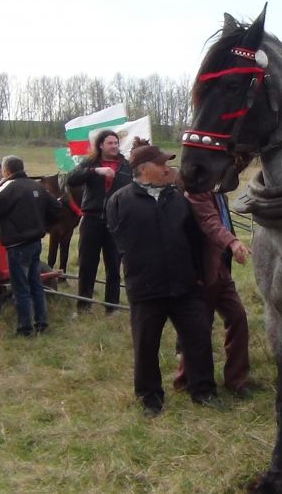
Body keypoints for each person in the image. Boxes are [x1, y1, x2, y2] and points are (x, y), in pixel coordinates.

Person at [106, 144, 218, 415]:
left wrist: (198, 276)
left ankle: (203, 392)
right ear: (143, 170)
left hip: (185, 285)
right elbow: (117, 239)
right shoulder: (120, 200)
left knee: (199, 339)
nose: (168, 168)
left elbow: (193, 239)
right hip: (146, 288)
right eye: (161, 164)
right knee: (146, 346)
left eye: (167, 162)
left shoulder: (178, 198)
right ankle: (150, 399)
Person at [174, 190, 253, 397]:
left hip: (221, 272)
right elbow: (211, 224)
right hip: (201, 274)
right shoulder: (196, 195)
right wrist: (233, 243)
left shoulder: (220, 195)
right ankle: (185, 379)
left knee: (238, 317)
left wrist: (230, 251)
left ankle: (236, 380)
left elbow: (225, 223)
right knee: (199, 329)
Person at [0, 156, 61, 336]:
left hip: (17, 244)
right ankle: (42, 323)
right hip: (35, 242)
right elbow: (56, 208)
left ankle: (25, 328)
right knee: (35, 284)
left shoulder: (7, 187)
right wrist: (41, 223)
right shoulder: (38, 186)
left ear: (6, 171)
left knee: (21, 288)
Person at [67, 130, 132, 314]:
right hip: (91, 219)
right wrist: (95, 171)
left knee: (113, 266)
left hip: (115, 222)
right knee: (87, 264)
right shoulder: (90, 163)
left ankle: (112, 307)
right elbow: (71, 179)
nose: (114, 146)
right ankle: (83, 306)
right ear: (101, 145)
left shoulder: (126, 166)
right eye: (110, 143)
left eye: (116, 143)